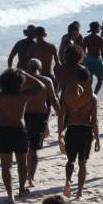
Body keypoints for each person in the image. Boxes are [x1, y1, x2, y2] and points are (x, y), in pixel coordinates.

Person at [0, 68, 45, 202]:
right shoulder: (23, 95)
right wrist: (26, 73)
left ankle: (10, 195)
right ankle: (21, 189)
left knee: (6, 166)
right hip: (19, 131)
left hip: (4, 131)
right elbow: (41, 87)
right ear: (20, 82)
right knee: (22, 164)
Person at [57, 67, 100, 199]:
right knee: (82, 162)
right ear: (88, 79)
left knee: (70, 161)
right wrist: (97, 138)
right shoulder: (92, 97)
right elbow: (94, 120)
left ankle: (68, 181)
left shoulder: (66, 95)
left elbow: (61, 116)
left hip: (71, 129)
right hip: (85, 130)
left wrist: (60, 134)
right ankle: (80, 191)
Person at [21, 59, 58, 189]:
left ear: (27, 68)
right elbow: (54, 101)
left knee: (25, 149)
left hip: (23, 116)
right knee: (33, 149)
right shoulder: (47, 81)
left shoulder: (22, 80)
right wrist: (61, 116)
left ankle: (26, 176)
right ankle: (31, 178)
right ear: (40, 68)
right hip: (39, 117)